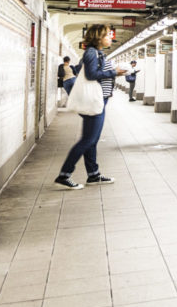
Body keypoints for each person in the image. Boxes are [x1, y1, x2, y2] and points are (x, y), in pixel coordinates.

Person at [54, 24, 126, 189]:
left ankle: (93, 175)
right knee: (88, 140)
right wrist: (114, 72)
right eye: (107, 35)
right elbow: (91, 74)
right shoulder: (92, 52)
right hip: (95, 101)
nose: (110, 38)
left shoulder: (97, 53)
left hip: (100, 100)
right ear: (98, 37)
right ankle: (64, 174)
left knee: (91, 140)